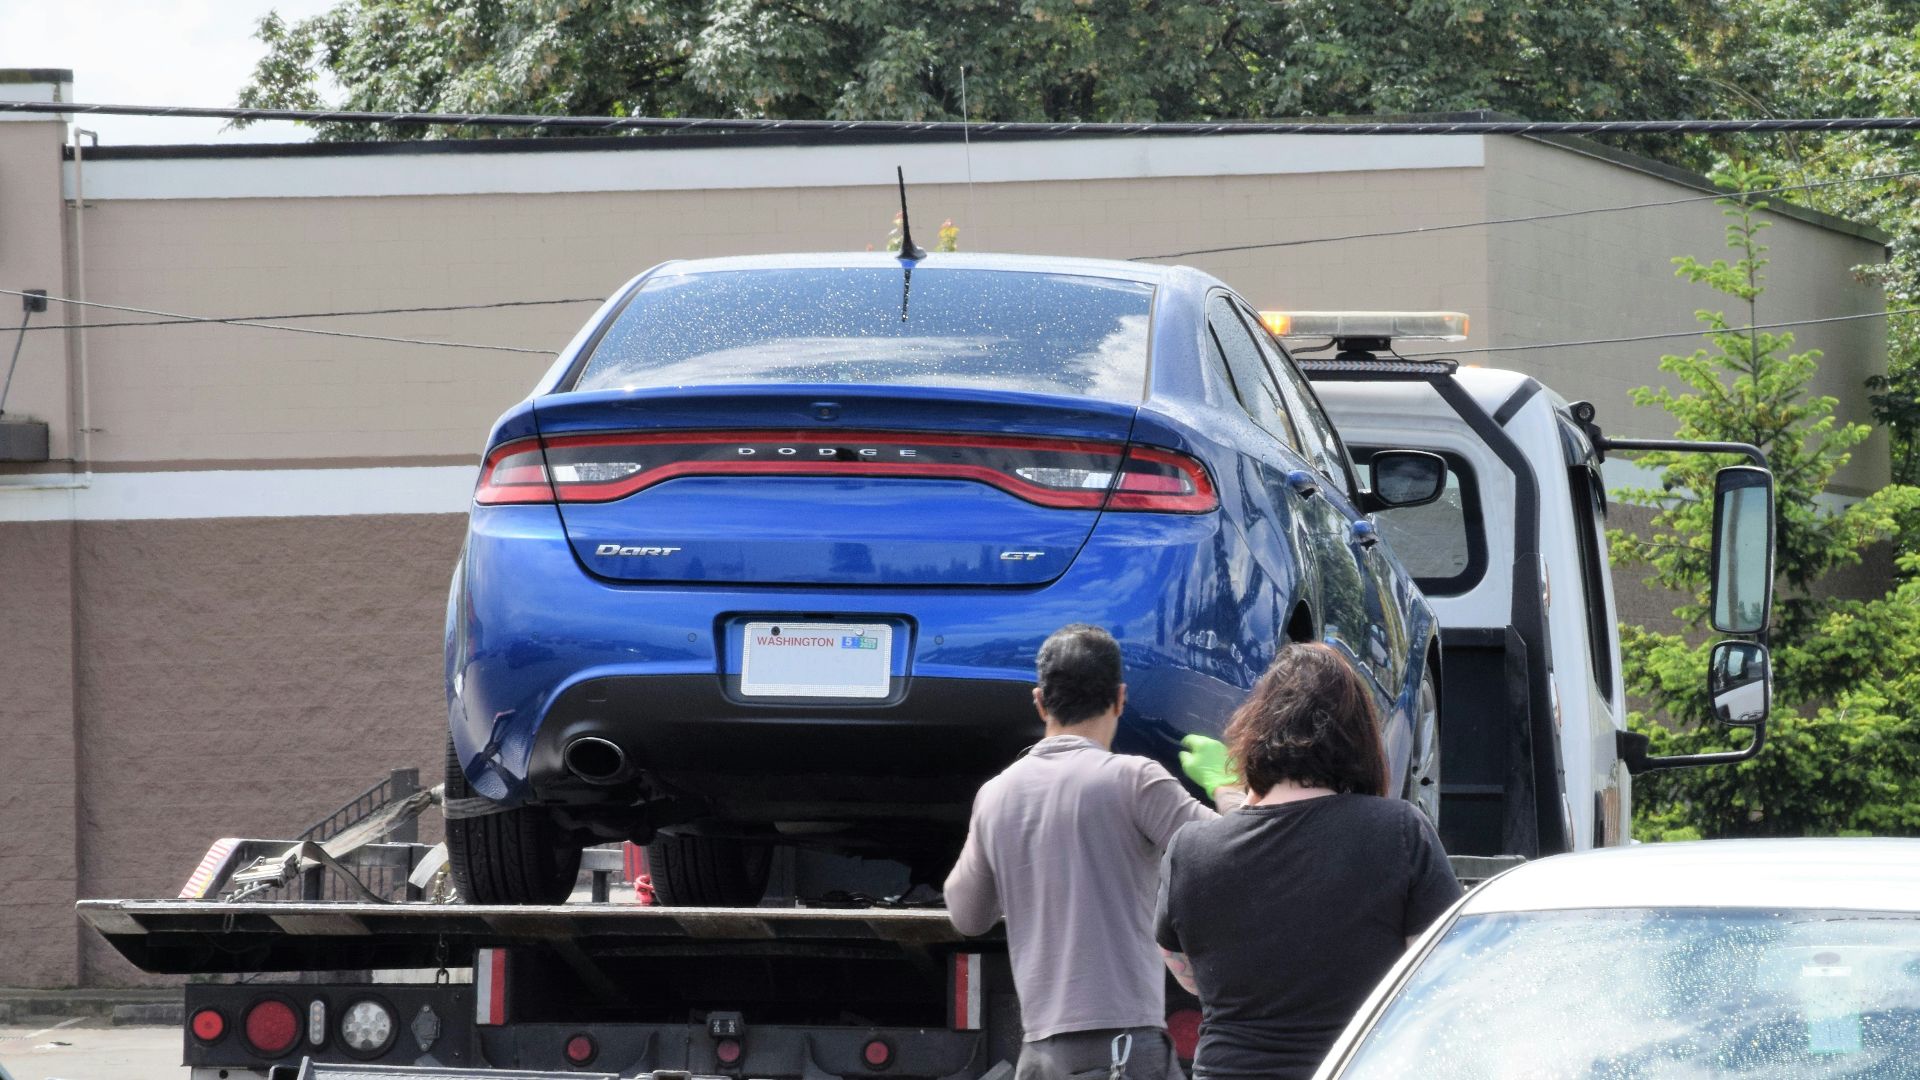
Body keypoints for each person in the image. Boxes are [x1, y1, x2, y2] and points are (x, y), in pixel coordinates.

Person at [1155, 642, 1462, 1080]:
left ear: (1254, 734)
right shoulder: (1397, 833)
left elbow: (1187, 972)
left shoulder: (1191, 849)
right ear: (1359, 740)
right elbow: (1435, 973)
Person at [945, 624, 1239, 1080]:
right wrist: (1227, 787)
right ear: (1120, 699)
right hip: (1124, 1052)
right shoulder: (1135, 780)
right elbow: (1238, 859)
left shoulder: (996, 795)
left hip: (1039, 1056)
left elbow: (968, 915)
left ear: (1040, 701)